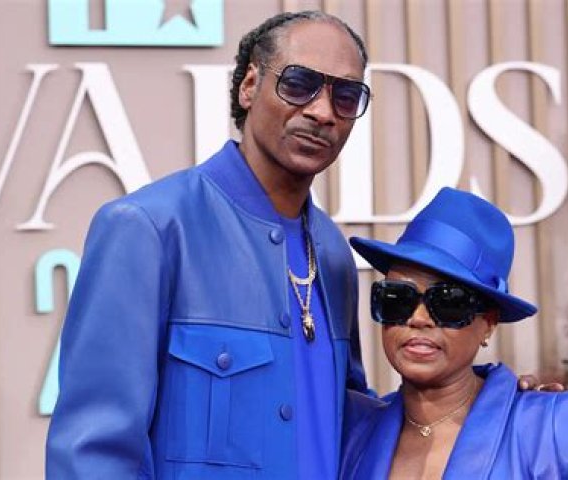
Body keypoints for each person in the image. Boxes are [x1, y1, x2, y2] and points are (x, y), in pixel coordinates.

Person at [46, 11, 372, 479]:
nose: (322, 112)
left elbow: (353, 428)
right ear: (249, 86)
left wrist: (476, 405)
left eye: (345, 96)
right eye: (299, 84)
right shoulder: (150, 228)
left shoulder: (333, 252)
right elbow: (93, 456)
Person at [341, 187, 568, 479]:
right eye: (397, 298)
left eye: (449, 303)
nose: (418, 318)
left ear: (489, 323)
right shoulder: (348, 433)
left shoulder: (567, 433)